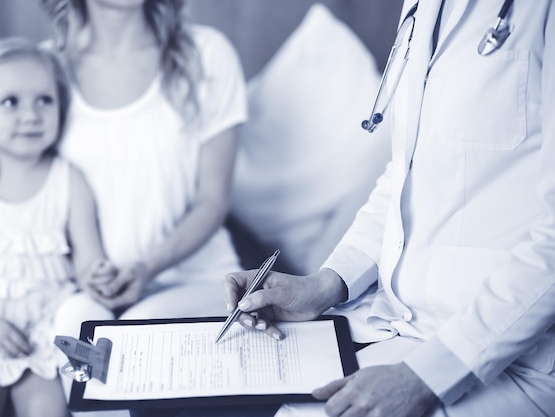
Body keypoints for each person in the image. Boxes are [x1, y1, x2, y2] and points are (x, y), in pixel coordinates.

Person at [223, 1, 555, 417]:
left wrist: (427, 376)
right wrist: (327, 284)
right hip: (400, 325)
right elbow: (405, 173)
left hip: (509, 359)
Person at [0, 37, 113, 417]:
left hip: (42, 333)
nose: (31, 115)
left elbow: (88, 260)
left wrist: (100, 276)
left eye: (44, 100)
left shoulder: (69, 180)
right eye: (10, 102)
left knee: (49, 410)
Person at [43, 0, 246, 328]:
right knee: (74, 322)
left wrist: (145, 267)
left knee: (141, 323)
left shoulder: (206, 54)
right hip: (87, 287)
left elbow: (213, 200)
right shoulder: (45, 69)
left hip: (199, 281)